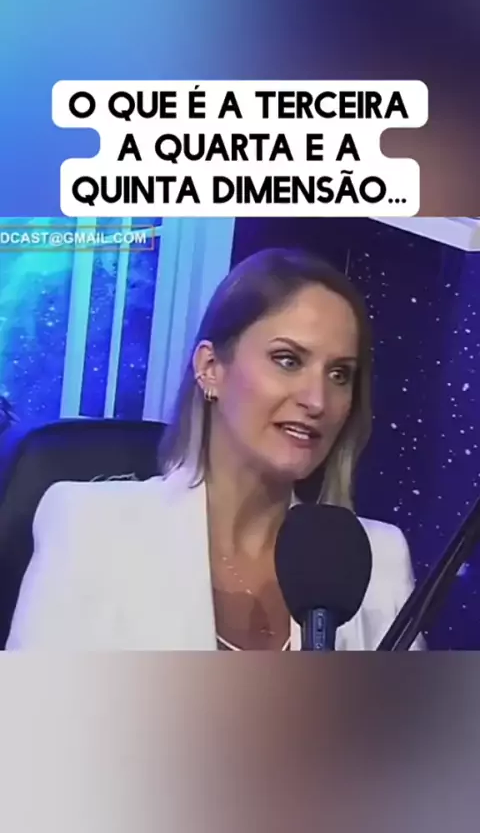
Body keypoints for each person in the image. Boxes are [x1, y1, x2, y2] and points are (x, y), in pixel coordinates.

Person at [6, 248, 422, 651]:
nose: (317, 400)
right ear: (210, 368)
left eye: (339, 374)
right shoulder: (90, 526)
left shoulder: (380, 560)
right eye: (288, 360)